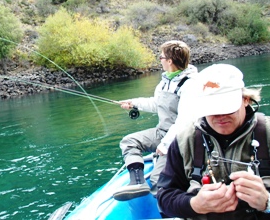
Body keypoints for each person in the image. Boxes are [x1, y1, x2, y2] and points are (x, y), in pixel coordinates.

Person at [156, 63, 270, 219]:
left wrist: (267, 202)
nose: (220, 116)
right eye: (212, 109)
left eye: (226, 107)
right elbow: (164, 198)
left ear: (246, 99)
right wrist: (194, 205)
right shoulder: (184, 140)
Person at [113, 40, 198, 201]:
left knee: (159, 183)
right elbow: (156, 104)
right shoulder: (165, 81)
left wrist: (165, 145)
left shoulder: (191, 84)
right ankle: (137, 182)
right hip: (162, 131)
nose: (160, 59)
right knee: (129, 141)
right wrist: (134, 103)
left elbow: (185, 120)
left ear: (170, 61)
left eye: (161, 57)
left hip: (181, 139)